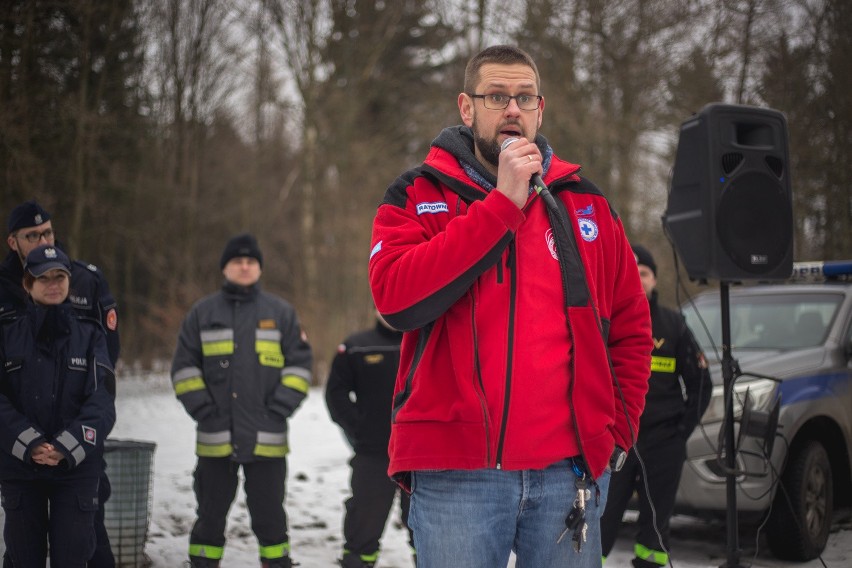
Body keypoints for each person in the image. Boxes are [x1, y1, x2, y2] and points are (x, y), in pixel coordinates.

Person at [367, 45, 652, 568]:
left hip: (568, 472)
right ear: (466, 107)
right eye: (496, 96)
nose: (512, 110)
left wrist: (618, 429)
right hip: (457, 474)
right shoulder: (416, 193)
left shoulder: (586, 203)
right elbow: (395, 298)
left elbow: (631, 325)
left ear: (540, 109)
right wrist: (501, 206)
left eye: (524, 98)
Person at [171, 233, 313, 568]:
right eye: (238, 261)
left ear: (260, 268)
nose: (245, 266)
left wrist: (279, 408)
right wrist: (204, 410)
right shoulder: (202, 313)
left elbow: (300, 366)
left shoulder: (281, 313)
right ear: (225, 267)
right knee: (209, 516)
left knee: (270, 518)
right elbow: (183, 367)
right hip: (215, 436)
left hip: (267, 437)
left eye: (251, 261)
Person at [0, 199, 119, 567]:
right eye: (32, 235)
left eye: (47, 232)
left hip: (77, 459)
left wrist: (70, 445)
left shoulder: (89, 297)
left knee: (83, 547)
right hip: (20, 460)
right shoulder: (8, 330)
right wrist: (29, 443)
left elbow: (103, 386)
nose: (52, 284)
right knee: (22, 555)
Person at [600, 245, 712, 567]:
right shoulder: (606, 321)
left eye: (644, 272)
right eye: (632, 271)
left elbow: (702, 384)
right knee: (602, 517)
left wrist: (680, 433)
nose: (637, 277)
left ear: (655, 280)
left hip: (664, 442)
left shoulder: (674, 325)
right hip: (617, 442)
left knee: (655, 526)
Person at [325, 312, 414, 568]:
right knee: (363, 526)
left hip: (422, 457)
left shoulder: (428, 341)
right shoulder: (356, 346)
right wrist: (359, 430)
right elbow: (336, 393)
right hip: (374, 454)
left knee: (428, 531)